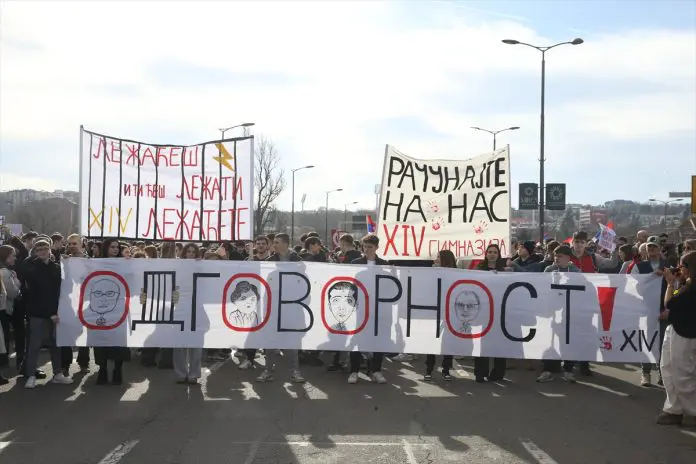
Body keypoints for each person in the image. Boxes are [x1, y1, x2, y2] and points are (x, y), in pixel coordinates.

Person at [22, 238, 72, 389]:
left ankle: (57, 374)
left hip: (56, 313)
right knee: (34, 345)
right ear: (35, 252)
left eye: (45, 248)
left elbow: (64, 289)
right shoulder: (31, 269)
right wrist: (49, 313)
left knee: (56, 345)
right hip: (38, 314)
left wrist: (69, 262)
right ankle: (31, 375)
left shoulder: (57, 268)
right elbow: (34, 296)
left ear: (50, 249)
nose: (42, 251)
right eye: (39, 249)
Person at [255, 233, 305, 384]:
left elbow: (304, 283)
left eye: (277, 242)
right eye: (274, 242)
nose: (274, 245)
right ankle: (268, 370)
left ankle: (295, 371)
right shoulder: (269, 262)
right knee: (270, 341)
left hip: (292, 307)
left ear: (285, 244)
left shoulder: (298, 261)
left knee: (292, 342)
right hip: (274, 307)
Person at [656, 251, 696, 425]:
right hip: (676, 329)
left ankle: (692, 410)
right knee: (668, 369)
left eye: (683, 265)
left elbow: (669, 303)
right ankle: (674, 409)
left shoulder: (691, 288)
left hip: (685, 334)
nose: (680, 268)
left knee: (682, 375)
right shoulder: (688, 284)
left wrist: (670, 284)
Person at [348, 234, 389, 384]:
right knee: (357, 338)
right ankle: (354, 371)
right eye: (364, 246)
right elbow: (352, 284)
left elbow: (388, 285)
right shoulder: (356, 263)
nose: (366, 249)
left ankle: (376, 370)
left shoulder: (384, 264)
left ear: (377, 247)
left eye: (370, 247)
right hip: (360, 307)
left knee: (378, 338)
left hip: (378, 307)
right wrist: (352, 301)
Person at [537, 246, 581, 383]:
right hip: (552, 311)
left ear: (568, 258)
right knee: (550, 341)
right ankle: (547, 370)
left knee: (568, 341)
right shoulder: (549, 270)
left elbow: (581, 290)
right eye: (555, 255)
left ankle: (568, 370)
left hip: (568, 312)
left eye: (560, 256)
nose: (556, 258)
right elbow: (542, 288)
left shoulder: (575, 271)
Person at [93, 238, 129, 385]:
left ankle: (117, 370)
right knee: (100, 340)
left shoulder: (124, 263)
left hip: (119, 307)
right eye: (112, 247)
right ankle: (102, 369)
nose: (115, 249)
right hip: (100, 307)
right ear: (106, 248)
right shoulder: (96, 263)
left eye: (117, 247)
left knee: (119, 340)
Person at [631, 240, 668, 386]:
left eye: (654, 246)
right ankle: (645, 372)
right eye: (649, 246)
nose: (651, 248)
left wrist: (669, 308)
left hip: (663, 310)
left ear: (660, 248)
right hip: (645, 309)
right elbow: (633, 286)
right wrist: (652, 276)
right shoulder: (638, 267)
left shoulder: (668, 266)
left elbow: (676, 286)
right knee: (646, 341)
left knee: (663, 342)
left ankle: (661, 371)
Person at [473, 244, 508, 382]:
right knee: (482, 342)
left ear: (498, 255)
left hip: (500, 310)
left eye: (495, 252)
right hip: (483, 311)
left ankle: (498, 373)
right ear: (486, 254)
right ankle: (480, 372)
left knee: (500, 342)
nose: (492, 254)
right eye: (490, 252)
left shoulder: (505, 271)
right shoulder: (478, 270)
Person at [423, 250, 456, 382]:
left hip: (450, 312)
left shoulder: (456, 273)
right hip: (434, 311)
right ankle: (429, 369)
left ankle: (446, 369)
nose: (435, 259)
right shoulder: (432, 272)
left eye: (438, 257)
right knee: (432, 341)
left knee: (448, 342)